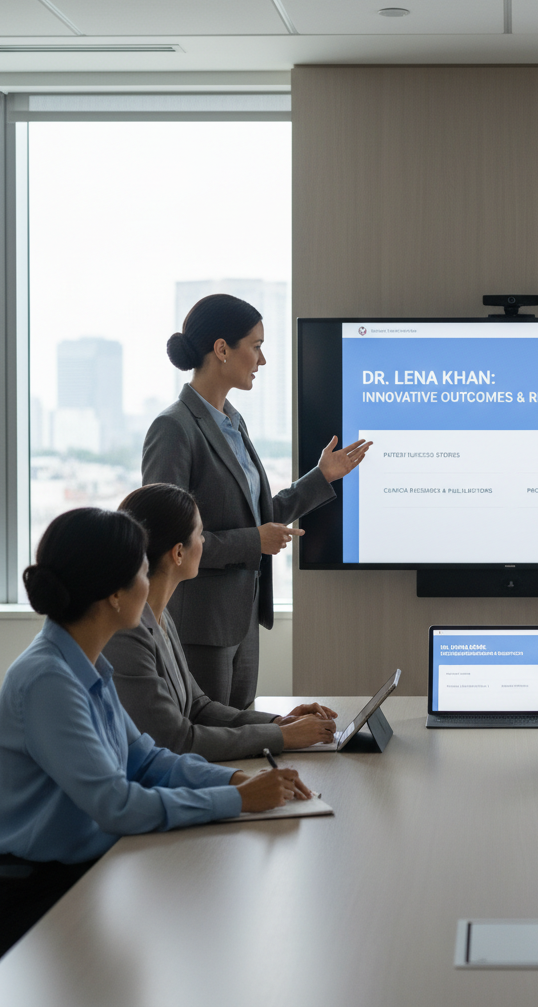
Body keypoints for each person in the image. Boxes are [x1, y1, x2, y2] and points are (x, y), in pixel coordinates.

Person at [0, 508, 311, 957]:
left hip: (85, 867)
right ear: (113, 595)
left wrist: (234, 781)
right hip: (41, 890)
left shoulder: (84, 662)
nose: (149, 587)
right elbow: (117, 804)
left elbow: (145, 759)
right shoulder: (48, 680)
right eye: (143, 572)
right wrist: (238, 801)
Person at [143, 293, 371, 709]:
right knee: (210, 748)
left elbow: (260, 516)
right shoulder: (174, 428)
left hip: (243, 623)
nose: (262, 361)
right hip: (201, 627)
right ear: (222, 349)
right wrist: (254, 542)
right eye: (257, 346)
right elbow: (164, 543)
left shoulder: (234, 422)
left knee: (243, 747)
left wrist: (321, 477)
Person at [105, 484, 338, 760]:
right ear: (178, 553)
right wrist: (283, 737)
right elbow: (177, 740)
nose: (204, 542)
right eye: (200, 534)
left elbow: (198, 707)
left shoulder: (160, 615)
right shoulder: (126, 633)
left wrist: (278, 722)